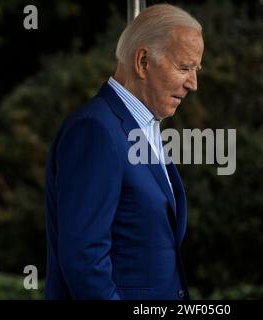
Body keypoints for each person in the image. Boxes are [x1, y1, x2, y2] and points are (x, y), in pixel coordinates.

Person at [44, 4, 204, 300]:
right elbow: (84, 261)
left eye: (196, 69)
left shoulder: (146, 125)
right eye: (184, 67)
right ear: (143, 61)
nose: (193, 84)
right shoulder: (95, 130)